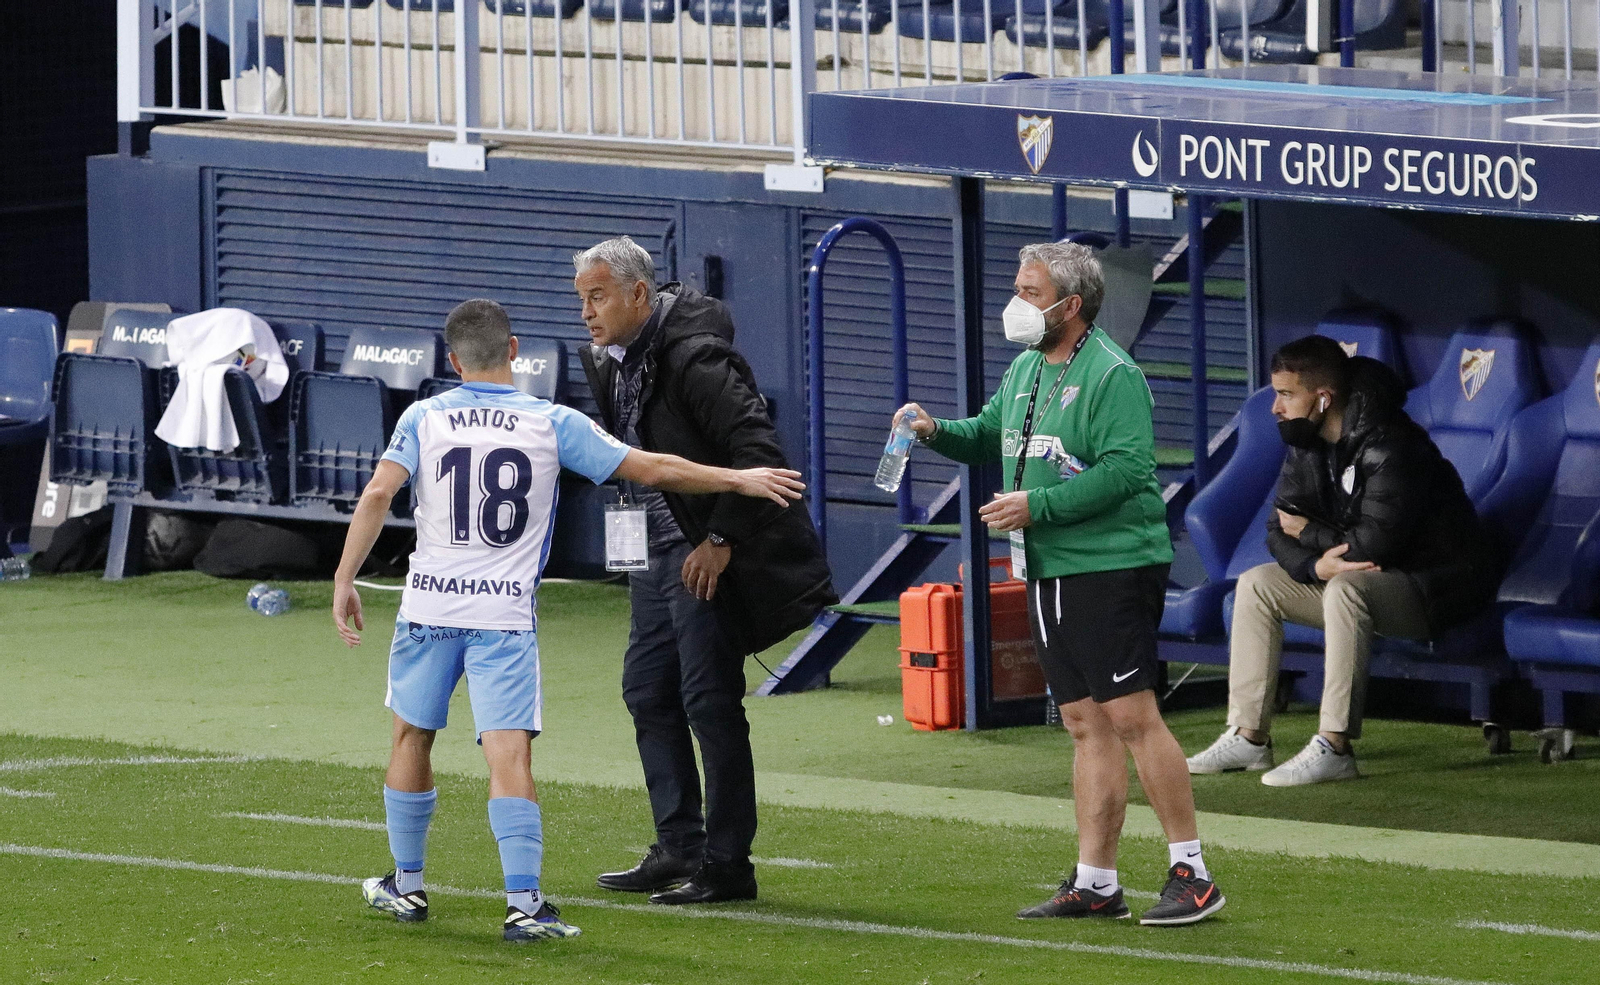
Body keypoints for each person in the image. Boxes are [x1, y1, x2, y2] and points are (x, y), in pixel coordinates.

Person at [331, 299, 806, 942]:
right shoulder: (551, 422)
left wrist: (344, 578)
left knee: (411, 737)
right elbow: (656, 467)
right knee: (509, 753)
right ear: (516, 350)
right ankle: (524, 905)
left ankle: (407, 886)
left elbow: (379, 494)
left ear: (452, 360)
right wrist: (739, 479)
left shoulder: (424, 416)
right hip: (502, 614)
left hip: (429, 606)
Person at [897, 241, 1225, 927]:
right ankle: (1097, 879)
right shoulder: (1027, 368)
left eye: (1031, 290)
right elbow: (990, 434)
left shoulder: (1114, 374)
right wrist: (933, 432)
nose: (1017, 303)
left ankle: (1193, 872)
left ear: (1071, 306)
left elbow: (1129, 471)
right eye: (1018, 287)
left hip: (1110, 564)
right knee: (1083, 722)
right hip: (1046, 566)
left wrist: (1036, 506)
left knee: (1133, 715)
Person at [575, 237, 835, 906]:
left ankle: (727, 863)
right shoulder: (604, 358)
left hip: (704, 550)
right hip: (653, 551)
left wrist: (719, 538)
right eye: (581, 298)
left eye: (597, 296)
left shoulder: (697, 357)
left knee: (709, 702)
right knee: (645, 690)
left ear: (638, 294)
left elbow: (758, 450)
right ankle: (679, 845)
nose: (586, 312)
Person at [1186, 337, 1499, 786]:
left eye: (1287, 395)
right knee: (1256, 584)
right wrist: (1315, 566)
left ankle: (1334, 746)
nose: (1275, 407)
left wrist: (1313, 541)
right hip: (1365, 581)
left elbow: (1376, 547)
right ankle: (1249, 737)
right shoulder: (1307, 441)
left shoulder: (1393, 444)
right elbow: (1278, 529)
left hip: (1435, 590)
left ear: (1323, 398)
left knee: (1346, 588)